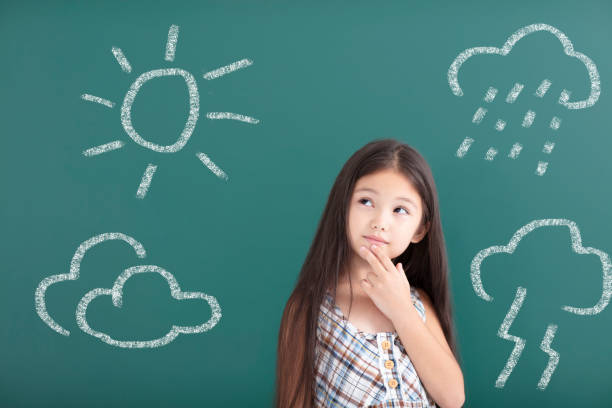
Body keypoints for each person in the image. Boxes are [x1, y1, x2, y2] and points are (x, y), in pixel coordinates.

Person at [275, 139, 465, 407]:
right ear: (343, 209)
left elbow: (453, 398)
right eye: (366, 201)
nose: (379, 222)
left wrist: (401, 310)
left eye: (400, 210)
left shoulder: (418, 304)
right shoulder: (309, 308)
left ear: (420, 230)